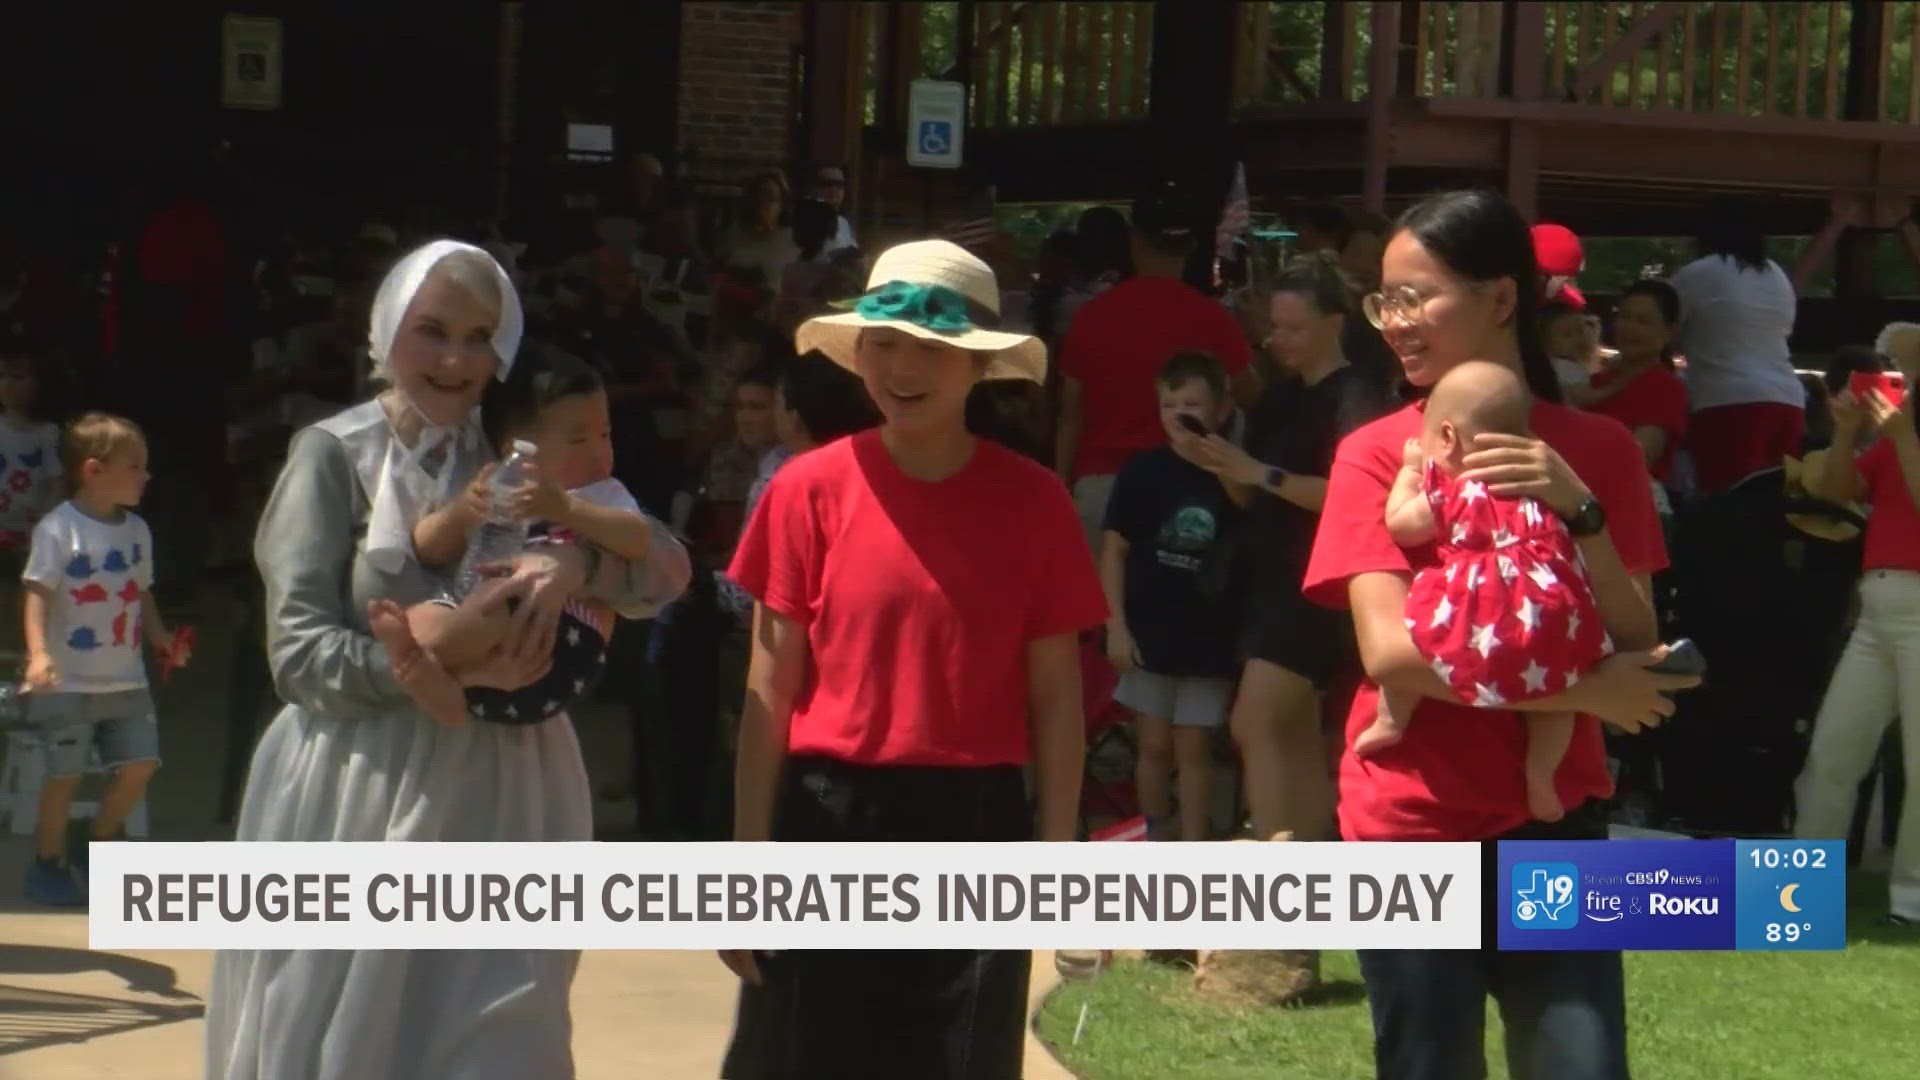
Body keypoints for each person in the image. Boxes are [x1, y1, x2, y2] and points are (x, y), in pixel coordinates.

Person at [205, 240, 690, 1080]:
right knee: (342, 1027)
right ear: (386, 327)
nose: (457, 359)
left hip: (510, 785)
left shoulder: (523, 442)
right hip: (357, 785)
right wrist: (429, 661)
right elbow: (298, 653)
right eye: (431, 331)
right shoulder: (333, 455)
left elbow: (657, 566)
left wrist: (578, 566)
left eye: (479, 335)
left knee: (504, 1029)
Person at [1303, 189, 1697, 1079]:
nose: (1394, 322)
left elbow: (1637, 635)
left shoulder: (1597, 449)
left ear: (1503, 299)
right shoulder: (1378, 454)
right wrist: (1586, 690)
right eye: (1384, 300)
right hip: (1410, 825)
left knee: (1581, 1064)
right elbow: (1394, 654)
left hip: (1557, 823)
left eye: (1417, 297)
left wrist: (1578, 511)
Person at [719, 240, 1106, 1079]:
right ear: (858, 355)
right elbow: (768, 686)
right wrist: (746, 863)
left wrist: (1054, 860)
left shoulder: (1035, 500)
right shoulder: (804, 490)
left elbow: (1057, 698)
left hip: (975, 822)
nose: (904, 367)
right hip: (827, 820)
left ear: (977, 366)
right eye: (884, 343)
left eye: (932, 347)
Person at [1180, 253, 1395, 850]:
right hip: (1269, 577)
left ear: (1335, 321)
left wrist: (1258, 472)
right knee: (1290, 731)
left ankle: (1277, 856)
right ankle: (1304, 852)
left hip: (1318, 585)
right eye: (1273, 327)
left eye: (1293, 328)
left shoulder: (1357, 397)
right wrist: (1222, 463)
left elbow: (1356, 499)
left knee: (1256, 720)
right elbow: (1254, 498)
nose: (1278, 341)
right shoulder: (1277, 400)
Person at [1372, 361, 1613, 824]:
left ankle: (1391, 718)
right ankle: (1541, 775)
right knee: (1557, 692)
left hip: (1483, 610)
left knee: (1418, 641)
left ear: (1446, 438)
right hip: (1550, 612)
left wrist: (1407, 474)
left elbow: (1401, 527)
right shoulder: (1541, 489)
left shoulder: (1457, 490)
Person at [369, 347, 654, 728]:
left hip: (557, 643)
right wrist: (460, 515)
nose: (599, 451)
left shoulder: (599, 494)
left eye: (605, 434)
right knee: (430, 611)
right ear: (516, 450)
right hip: (487, 645)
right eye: (578, 440)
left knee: (488, 612)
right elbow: (424, 549)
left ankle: (422, 659)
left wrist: (568, 511)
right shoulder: (499, 484)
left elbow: (638, 540)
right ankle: (449, 675)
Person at [20, 412, 189, 907]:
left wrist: (158, 637)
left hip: (125, 680)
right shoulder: (58, 530)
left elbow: (142, 592)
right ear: (94, 470)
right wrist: (37, 654)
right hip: (68, 682)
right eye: (135, 466)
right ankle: (48, 860)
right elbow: (36, 593)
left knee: (140, 764)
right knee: (64, 774)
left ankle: (99, 840)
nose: (146, 476)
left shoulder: (137, 531)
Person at [1793, 324, 1920, 928]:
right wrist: (1846, 433)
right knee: (1833, 751)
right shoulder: (1900, 429)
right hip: (1879, 605)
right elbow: (1839, 491)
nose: (1900, 375)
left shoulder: (1903, 431)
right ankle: (1801, 890)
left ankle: (1911, 903)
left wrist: (1899, 434)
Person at [1056, 178, 1259, 553]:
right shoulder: (1212, 319)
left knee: (1100, 607)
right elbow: (1254, 397)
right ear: (1192, 246)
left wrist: (1060, 482)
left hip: (1102, 482)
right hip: (1186, 488)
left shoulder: (1091, 317)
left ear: (1133, 242)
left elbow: (1071, 414)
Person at [1102, 352, 1242, 842]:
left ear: (1220, 410)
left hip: (1208, 638)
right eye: (1168, 404)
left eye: (1192, 404)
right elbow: (1114, 550)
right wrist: (1115, 626)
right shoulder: (1142, 472)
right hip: (1148, 631)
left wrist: (1217, 455)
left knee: (1193, 746)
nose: (1179, 414)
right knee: (1154, 745)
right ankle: (1154, 834)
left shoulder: (1233, 474)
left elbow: (1246, 504)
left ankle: (1195, 843)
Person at [1671, 197, 1806, 493]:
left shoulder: (1698, 273)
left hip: (1726, 401)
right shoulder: (1776, 274)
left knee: (1727, 504)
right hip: (1788, 401)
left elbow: (1661, 323)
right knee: (1774, 506)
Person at [1590, 279, 1690, 494]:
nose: (1629, 328)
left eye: (1643, 321)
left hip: (1627, 499)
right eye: (1625, 316)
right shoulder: (1594, 382)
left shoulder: (1665, 388)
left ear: (1668, 332)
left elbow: (1638, 456)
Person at [0, 339, 62, 557]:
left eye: (17, 378)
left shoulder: (47, 433)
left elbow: (55, 481)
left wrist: (45, 521)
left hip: (29, 534)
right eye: (2, 376)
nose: (6, 384)